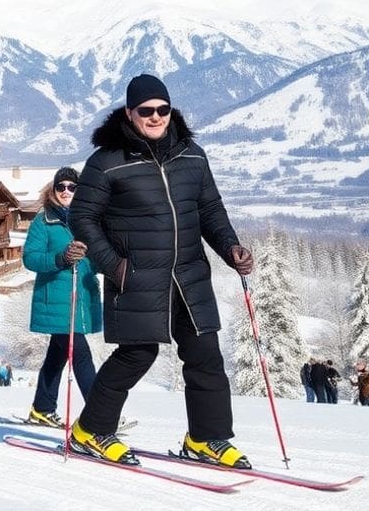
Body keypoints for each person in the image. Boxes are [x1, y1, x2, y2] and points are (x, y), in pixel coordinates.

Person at [68, 74, 255, 468]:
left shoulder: (192, 154)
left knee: (205, 354)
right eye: (146, 110)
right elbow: (83, 218)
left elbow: (209, 211)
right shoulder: (107, 161)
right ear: (130, 113)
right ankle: (90, 430)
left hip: (189, 275)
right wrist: (113, 266)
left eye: (162, 109)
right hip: (135, 275)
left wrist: (230, 247)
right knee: (137, 354)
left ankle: (206, 439)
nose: (155, 117)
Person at [22, 167, 102, 428]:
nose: (66, 191)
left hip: (81, 299)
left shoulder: (89, 220)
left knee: (58, 355)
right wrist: (60, 259)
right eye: (61, 187)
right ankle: (99, 416)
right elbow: (30, 258)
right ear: (53, 190)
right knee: (80, 354)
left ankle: (42, 408)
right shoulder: (43, 221)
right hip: (56, 301)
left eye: (72, 187)